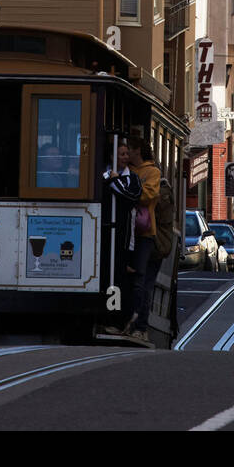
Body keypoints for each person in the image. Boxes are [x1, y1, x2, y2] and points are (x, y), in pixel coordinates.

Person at [120, 134, 160, 346]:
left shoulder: (152, 172)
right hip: (126, 231)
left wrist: (126, 189)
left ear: (137, 151)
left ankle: (141, 326)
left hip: (144, 233)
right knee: (128, 278)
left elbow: (148, 196)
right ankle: (126, 321)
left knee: (140, 280)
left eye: (129, 150)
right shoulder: (127, 171)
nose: (126, 154)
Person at [100, 140, 142, 335]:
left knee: (120, 276)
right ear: (112, 157)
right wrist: (110, 179)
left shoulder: (133, 178)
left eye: (127, 154)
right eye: (121, 154)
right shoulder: (102, 175)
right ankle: (107, 317)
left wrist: (113, 181)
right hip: (104, 233)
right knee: (107, 275)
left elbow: (131, 197)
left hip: (124, 236)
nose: (125, 157)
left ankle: (120, 318)